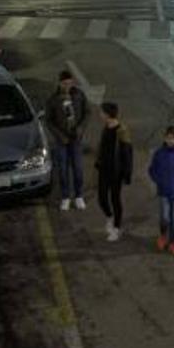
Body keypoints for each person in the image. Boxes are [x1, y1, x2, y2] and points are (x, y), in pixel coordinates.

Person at [45, 70, 89, 210]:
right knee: (63, 170)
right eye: (65, 83)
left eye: (70, 83)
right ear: (60, 83)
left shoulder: (79, 95)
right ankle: (65, 197)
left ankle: (79, 196)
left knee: (78, 168)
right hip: (62, 140)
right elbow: (49, 121)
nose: (67, 86)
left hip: (76, 138)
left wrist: (80, 129)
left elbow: (87, 112)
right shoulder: (53, 100)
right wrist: (60, 136)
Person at [148, 126, 174, 255]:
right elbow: (152, 170)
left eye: (173, 138)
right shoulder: (159, 153)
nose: (171, 141)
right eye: (168, 138)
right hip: (163, 192)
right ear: (165, 138)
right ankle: (163, 236)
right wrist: (158, 180)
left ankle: (173, 242)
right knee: (165, 218)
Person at [95, 103, 133, 242]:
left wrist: (127, 173)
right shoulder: (106, 128)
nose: (100, 115)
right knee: (102, 198)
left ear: (107, 114)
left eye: (101, 112)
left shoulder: (122, 130)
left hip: (116, 171)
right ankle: (109, 217)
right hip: (104, 169)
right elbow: (102, 146)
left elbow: (127, 153)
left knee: (115, 199)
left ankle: (116, 228)